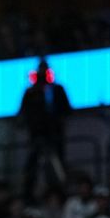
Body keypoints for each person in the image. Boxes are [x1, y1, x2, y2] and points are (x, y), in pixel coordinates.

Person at [18, 59, 72, 201]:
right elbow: (23, 113)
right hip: (36, 135)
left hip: (55, 134)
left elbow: (66, 110)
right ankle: (28, 195)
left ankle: (60, 193)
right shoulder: (30, 93)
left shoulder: (57, 89)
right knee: (33, 165)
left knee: (57, 164)